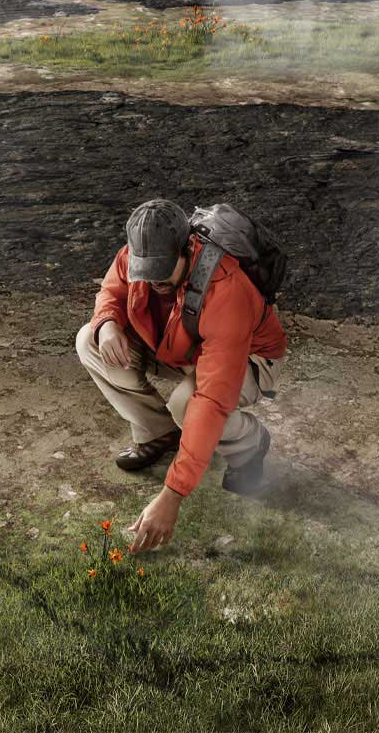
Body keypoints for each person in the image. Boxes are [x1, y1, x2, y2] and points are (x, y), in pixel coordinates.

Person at [74, 198, 288, 553]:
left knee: (188, 406)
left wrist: (172, 495)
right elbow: (112, 288)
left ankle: (250, 445)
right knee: (89, 341)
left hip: (250, 357)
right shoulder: (139, 252)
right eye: (147, 270)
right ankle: (160, 434)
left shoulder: (226, 289)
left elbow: (212, 399)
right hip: (181, 345)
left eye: (162, 269)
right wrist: (108, 323)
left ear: (187, 248)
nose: (154, 279)